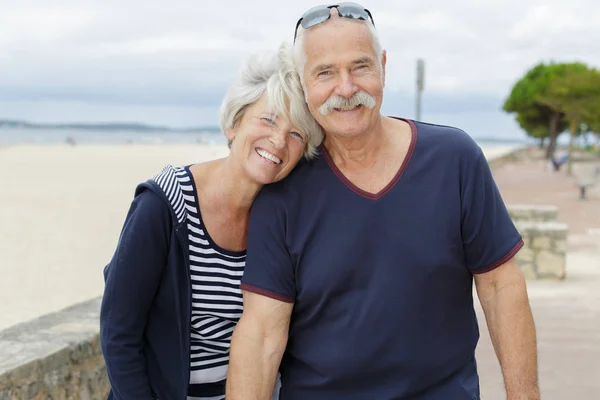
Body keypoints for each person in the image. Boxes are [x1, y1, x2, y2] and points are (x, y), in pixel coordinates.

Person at [227, 4, 539, 400]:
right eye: (325, 72)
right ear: (303, 83)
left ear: (383, 67)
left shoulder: (454, 158)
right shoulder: (283, 188)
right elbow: (260, 333)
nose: (345, 88)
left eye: (360, 67)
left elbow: (500, 286)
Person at [99, 42, 323, 400]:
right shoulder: (166, 204)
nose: (278, 141)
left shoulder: (283, 220)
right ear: (235, 123)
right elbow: (117, 332)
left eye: (296, 133)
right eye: (267, 119)